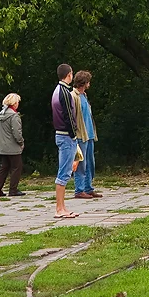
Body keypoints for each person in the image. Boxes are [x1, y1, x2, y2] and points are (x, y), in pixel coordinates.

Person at [51, 63, 79, 219]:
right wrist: (74, 135)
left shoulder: (56, 91)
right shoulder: (65, 92)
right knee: (64, 173)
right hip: (66, 135)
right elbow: (69, 115)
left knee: (65, 172)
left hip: (60, 134)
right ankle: (59, 208)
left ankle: (62, 207)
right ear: (68, 75)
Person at [71, 71, 102, 200]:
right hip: (80, 135)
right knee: (81, 164)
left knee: (90, 163)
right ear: (84, 83)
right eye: (88, 81)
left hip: (89, 134)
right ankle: (79, 189)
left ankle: (88, 188)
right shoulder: (74, 96)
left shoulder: (84, 95)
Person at [0, 93, 25, 197]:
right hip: (13, 147)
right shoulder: (14, 116)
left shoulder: (1, 115)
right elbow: (17, 132)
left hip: (2, 147)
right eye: (17, 102)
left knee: (4, 167)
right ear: (14, 103)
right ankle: (13, 189)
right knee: (17, 167)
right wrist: (21, 142)